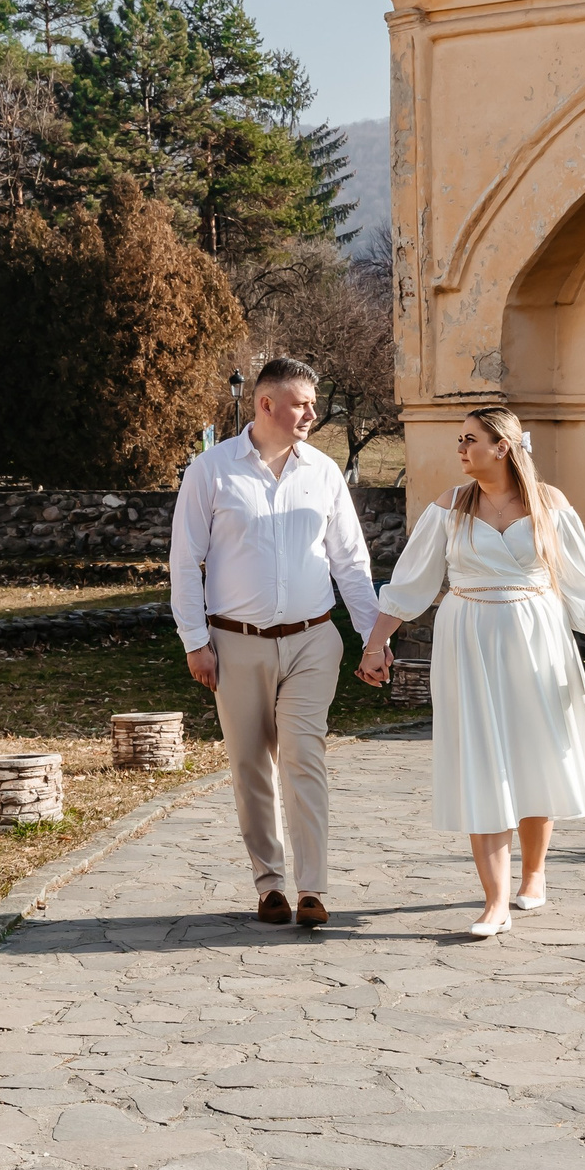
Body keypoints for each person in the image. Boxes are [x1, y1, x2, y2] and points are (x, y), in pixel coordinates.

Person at [357, 405, 585, 935]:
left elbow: (577, 585)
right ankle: (494, 902)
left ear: (502, 446)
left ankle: (534, 875)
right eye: (459, 439)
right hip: (468, 638)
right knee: (480, 757)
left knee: (535, 751)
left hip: (537, 637)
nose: (460, 448)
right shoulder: (449, 506)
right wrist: (375, 643)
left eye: (470, 439)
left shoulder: (550, 505)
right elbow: (411, 582)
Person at [170, 357, 381, 928]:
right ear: (266, 405)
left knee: (303, 757)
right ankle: (270, 884)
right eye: (301, 403)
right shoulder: (211, 471)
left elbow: (351, 563)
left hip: (314, 639)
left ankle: (312, 888)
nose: (313, 412)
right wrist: (195, 641)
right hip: (235, 643)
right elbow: (186, 563)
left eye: (313, 402)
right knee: (249, 765)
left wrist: (373, 636)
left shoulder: (324, 472)